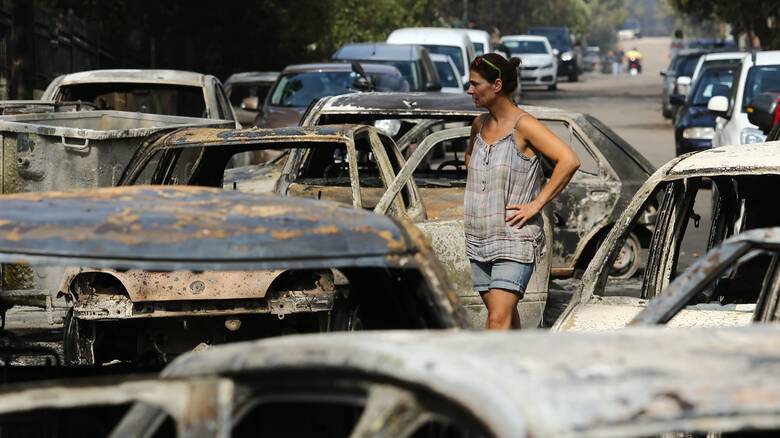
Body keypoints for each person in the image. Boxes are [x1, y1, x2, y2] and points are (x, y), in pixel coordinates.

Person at [464, 53, 580, 330]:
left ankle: (481, 375)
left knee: (496, 321)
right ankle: (524, 370)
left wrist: (536, 203)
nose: (470, 90)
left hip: (514, 240)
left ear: (497, 85)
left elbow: (569, 160)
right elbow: (470, 161)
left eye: (475, 84)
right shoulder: (479, 125)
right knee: (505, 322)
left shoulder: (524, 125)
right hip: (479, 239)